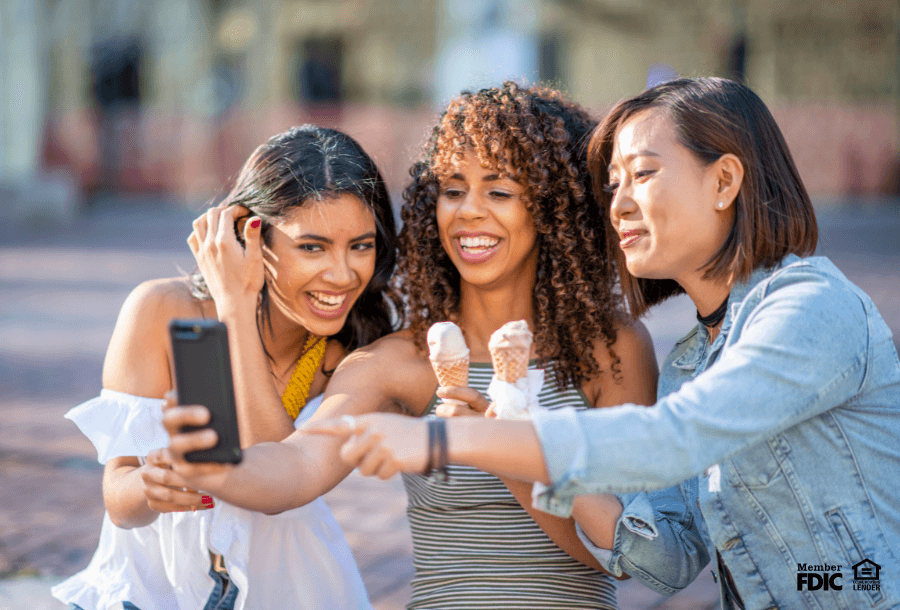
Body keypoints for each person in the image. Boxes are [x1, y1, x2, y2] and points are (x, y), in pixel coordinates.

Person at [306, 77, 900, 610]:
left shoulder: (811, 306)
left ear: (724, 182)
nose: (617, 203)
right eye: (612, 184)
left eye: (641, 174)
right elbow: (663, 560)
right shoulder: (693, 359)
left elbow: (677, 438)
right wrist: (510, 425)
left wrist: (446, 436)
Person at [159, 82, 665, 609]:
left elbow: (625, 556)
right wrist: (216, 467)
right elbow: (294, 469)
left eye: (498, 191)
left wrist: (507, 447)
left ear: (550, 206)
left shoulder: (614, 349)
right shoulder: (399, 362)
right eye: (452, 189)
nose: (467, 211)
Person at [52, 124, 400, 610]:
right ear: (251, 236)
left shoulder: (351, 354)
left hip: (290, 589)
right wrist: (149, 488)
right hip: (154, 592)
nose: (342, 275)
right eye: (312, 247)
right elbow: (119, 497)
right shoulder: (162, 311)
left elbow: (278, 472)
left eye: (360, 246)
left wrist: (235, 307)